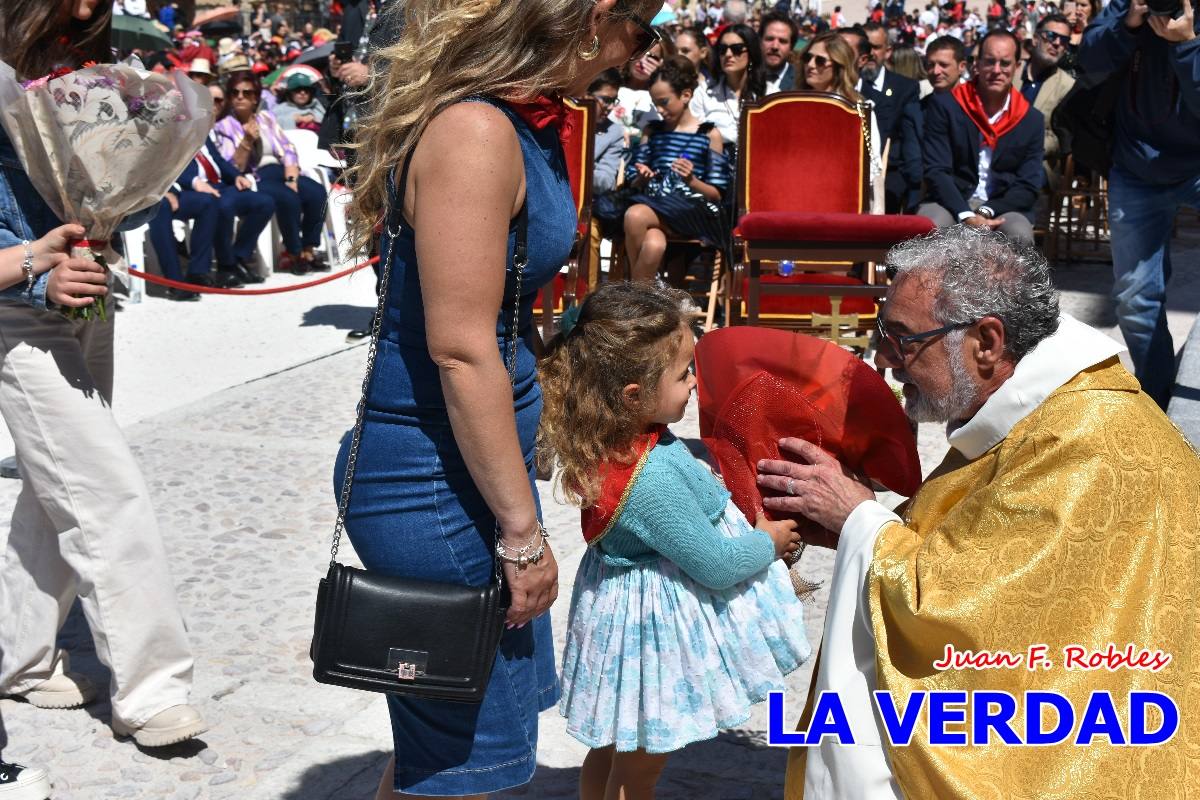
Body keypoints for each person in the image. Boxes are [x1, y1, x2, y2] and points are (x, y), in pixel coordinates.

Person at [340, 0, 664, 794]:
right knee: (466, 760)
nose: (641, 51)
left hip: (468, 475)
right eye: (641, 27)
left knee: (452, 746)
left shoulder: (522, 120)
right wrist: (523, 534)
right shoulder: (477, 132)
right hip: (430, 480)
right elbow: (459, 348)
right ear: (592, 18)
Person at [760, 226, 1200, 799]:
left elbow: (969, 610)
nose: (887, 362)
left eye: (902, 339)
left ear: (987, 343)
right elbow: (981, 542)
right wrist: (854, 527)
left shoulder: (1089, 442)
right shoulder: (1039, 409)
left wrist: (862, 520)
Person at [0, 0, 205, 749]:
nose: (88, 6)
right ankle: (153, 693)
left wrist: (113, 210)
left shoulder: (75, 58)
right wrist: (33, 269)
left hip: (84, 298)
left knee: (57, 486)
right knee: (104, 490)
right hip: (19, 311)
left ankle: (17, 657)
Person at [539, 281, 810, 800]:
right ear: (633, 395)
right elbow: (713, 563)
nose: (693, 382)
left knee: (613, 746)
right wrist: (767, 543)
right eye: (684, 373)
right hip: (651, 642)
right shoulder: (650, 478)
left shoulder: (624, 441)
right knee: (642, 764)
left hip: (624, 625)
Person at [1078, 0, 1199, 408]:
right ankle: (1158, 396)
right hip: (1136, 169)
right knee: (1135, 297)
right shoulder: (1130, 6)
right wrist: (1128, 24)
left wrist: (1186, 45)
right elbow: (1088, 61)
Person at [918, 30, 1044, 244]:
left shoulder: (1030, 119)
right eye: (989, 62)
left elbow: (1028, 184)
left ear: (1017, 67)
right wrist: (965, 214)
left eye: (1005, 63)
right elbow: (936, 170)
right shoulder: (947, 106)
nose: (997, 70)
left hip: (1002, 206)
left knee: (1019, 235)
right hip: (951, 201)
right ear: (976, 64)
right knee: (930, 227)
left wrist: (987, 211)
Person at [622, 57, 732, 282]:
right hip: (656, 206)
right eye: (655, 104)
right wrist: (642, 178)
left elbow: (717, 193)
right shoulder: (652, 131)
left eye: (664, 102)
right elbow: (633, 177)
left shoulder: (708, 134)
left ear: (686, 95)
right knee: (654, 244)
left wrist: (692, 180)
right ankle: (644, 301)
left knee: (634, 214)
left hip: (692, 210)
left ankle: (631, 295)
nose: (660, 110)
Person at [214, 70, 328, 274]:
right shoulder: (224, 126)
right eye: (235, 92)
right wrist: (247, 140)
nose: (240, 97)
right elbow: (233, 167)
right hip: (256, 176)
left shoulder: (266, 118)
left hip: (281, 170)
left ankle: (309, 248)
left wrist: (292, 176)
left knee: (317, 192)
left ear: (255, 97)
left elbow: (287, 148)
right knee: (288, 198)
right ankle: (293, 253)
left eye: (246, 93)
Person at [796, 33, 884, 212]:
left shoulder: (860, 110)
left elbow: (870, 167)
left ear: (838, 67)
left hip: (844, 204)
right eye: (807, 58)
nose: (810, 65)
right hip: (796, 198)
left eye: (820, 61)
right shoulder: (790, 106)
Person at [848, 23, 923, 212]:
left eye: (876, 47)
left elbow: (907, 140)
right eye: (866, 47)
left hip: (889, 171)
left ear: (888, 51)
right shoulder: (844, 87)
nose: (871, 53)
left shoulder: (906, 87)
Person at [1013, 13, 1075, 186]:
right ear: (1035, 39)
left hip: (1037, 163)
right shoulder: (1011, 72)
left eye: (1064, 40)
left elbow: (1060, 135)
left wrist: (1023, 146)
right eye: (1051, 36)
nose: (1057, 43)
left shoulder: (1067, 86)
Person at [690, 23, 766, 149]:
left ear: (751, 52)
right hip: (714, 163)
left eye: (736, 48)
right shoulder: (704, 92)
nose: (728, 54)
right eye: (722, 49)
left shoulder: (768, 92)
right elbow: (693, 138)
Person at [761, 11, 800, 93]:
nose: (775, 46)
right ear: (760, 41)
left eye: (782, 41)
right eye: (769, 39)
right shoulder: (746, 77)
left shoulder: (801, 83)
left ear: (791, 47)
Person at [922, 34, 967, 103]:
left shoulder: (977, 108)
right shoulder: (915, 110)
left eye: (944, 65)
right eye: (931, 65)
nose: (935, 71)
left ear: (961, 67)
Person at [673, 24, 712, 89]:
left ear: (703, 52)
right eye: (675, 50)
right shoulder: (666, 83)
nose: (678, 54)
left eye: (685, 51)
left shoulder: (714, 84)